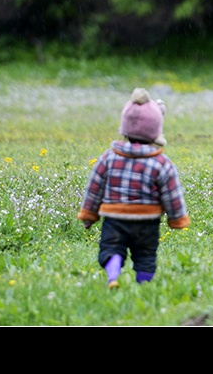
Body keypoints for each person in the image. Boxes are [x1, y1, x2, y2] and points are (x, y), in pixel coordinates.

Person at [78, 87, 190, 289]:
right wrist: (177, 218)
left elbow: (94, 188)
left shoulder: (108, 158)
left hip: (115, 218)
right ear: (155, 130)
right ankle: (144, 287)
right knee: (145, 254)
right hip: (146, 221)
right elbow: (172, 193)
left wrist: (89, 214)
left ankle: (113, 276)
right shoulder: (161, 163)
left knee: (112, 248)